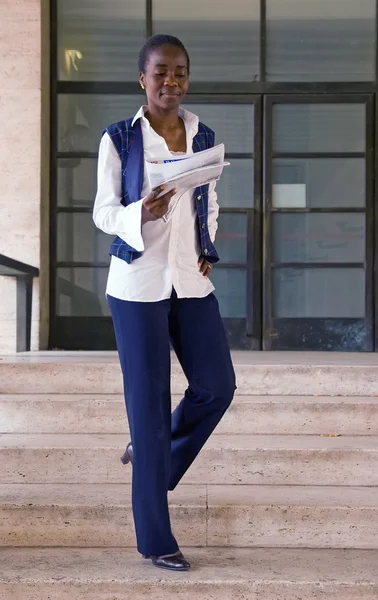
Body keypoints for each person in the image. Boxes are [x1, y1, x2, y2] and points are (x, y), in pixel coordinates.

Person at [93, 34, 236, 572]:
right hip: (136, 284)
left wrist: (207, 246)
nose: (170, 82)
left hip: (190, 282)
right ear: (142, 79)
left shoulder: (203, 136)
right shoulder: (120, 139)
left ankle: (151, 462)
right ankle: (156, 539)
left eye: (179, 72)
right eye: (160, 73)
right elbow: (104, 213)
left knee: (217, 387)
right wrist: (141, 215)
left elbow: (210, 200)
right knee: (148, 410)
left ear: (187, 78)